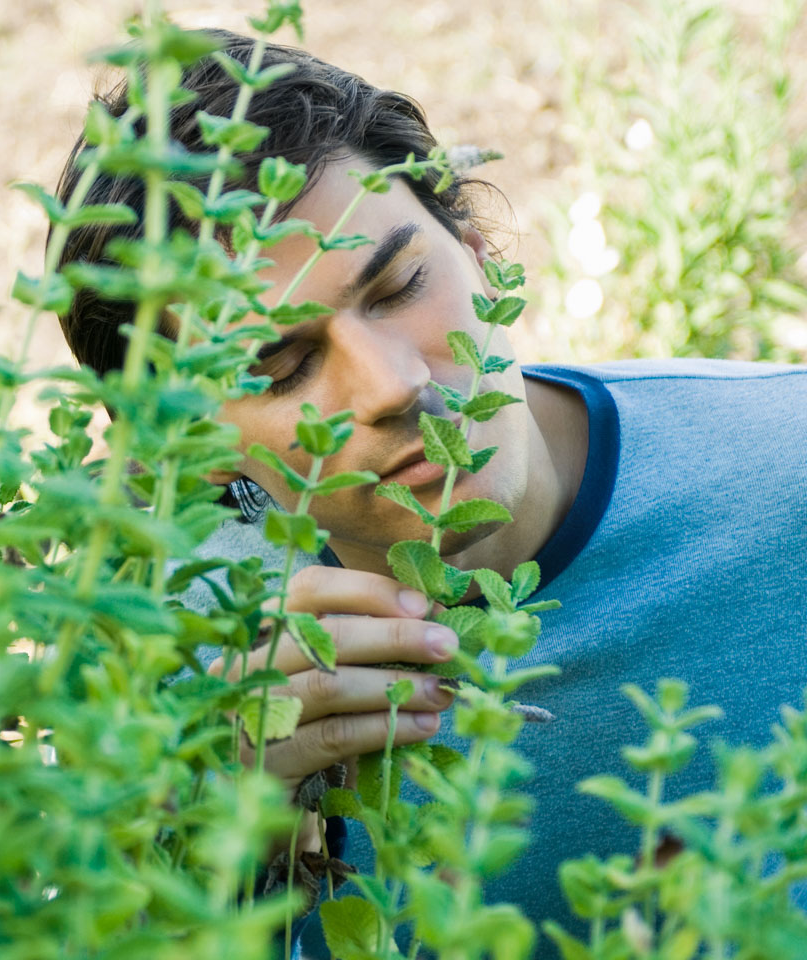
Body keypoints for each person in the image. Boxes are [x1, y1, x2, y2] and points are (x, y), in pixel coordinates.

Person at [52, 27, 807, 955]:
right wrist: (212, 836)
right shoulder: (164, 648)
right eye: (280, 364)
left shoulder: (787, 470)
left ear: (477, 244)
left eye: (401, 284)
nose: (390, 385)